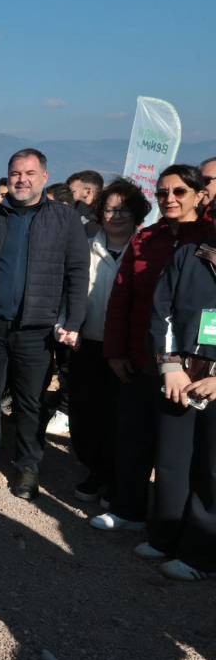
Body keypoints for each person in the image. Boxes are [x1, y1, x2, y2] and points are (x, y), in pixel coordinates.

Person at [0, 148, 89, 500]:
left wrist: (74, 320)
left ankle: (27, 466)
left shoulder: (64, 219)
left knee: (30, 401)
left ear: (44, 177)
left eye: (29, 173)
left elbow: (77, 272)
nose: (21, 179)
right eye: (15, 173)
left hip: (37, 329)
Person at [95, 165, 212, 530]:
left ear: (198, 195)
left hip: (193, 369)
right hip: (142, 356)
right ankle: (128, 510)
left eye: (179, 192)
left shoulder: (207, 239)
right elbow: (122, 297)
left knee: (179, 453)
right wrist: (114, 350)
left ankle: (173, 526)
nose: (170, 199)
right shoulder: (146, 239)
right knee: (133, 437)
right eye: (162, 193)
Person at [68, 179, 149, 502]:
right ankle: (95, 469)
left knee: (120, 418)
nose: (116, 216)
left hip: (127, 350)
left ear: (138, 213)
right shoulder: (85, 246)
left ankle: (115, 478)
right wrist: (68, 325)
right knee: (85, 414)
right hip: (86, 342)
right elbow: (70, 289)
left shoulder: (143, 250)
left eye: (124, 210)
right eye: (110, 209)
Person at [144, 228, 216, 580]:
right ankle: (165, 537)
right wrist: (170, 367)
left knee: (213, 472)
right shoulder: (190, 254)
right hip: (182, 377)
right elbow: (162, 311)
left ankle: (201, 556)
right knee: (173, 462)